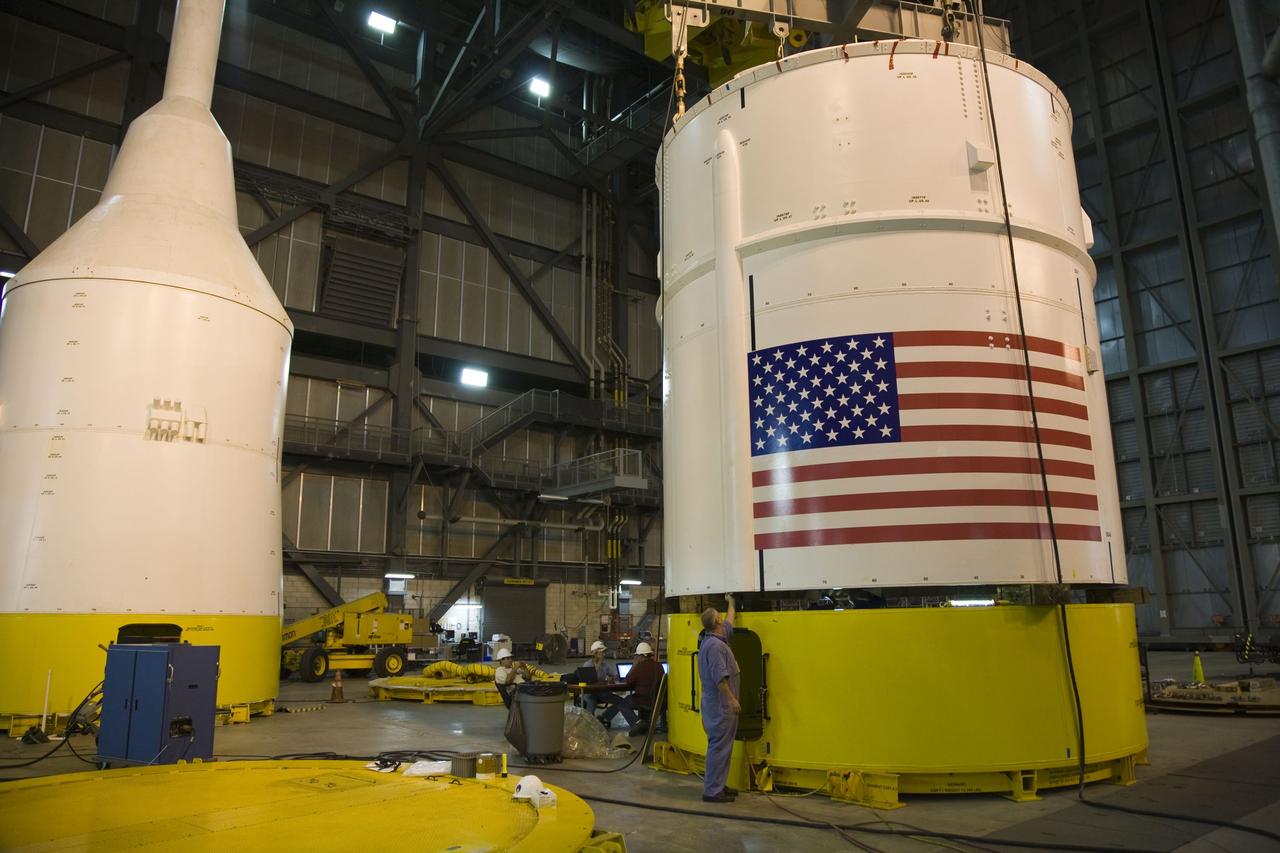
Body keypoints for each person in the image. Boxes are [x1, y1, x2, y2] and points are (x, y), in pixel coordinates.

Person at [697, 593, 740, 803]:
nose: (723, 617)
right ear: (716, 621)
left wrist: (731, 602)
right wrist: (732, 700)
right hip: (720, 706)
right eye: (720, 615)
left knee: (723, 746)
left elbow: (730, 621)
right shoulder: (714, 646)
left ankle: (718, 784)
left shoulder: (716, 638)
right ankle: (712, 791)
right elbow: (720, 679)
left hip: (719, 705)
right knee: (718, 746)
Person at [600, 642, 662, 736]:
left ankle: (636, 723)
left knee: (622, 703)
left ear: (640, 656)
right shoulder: (659, 666)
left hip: (642, 700)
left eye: (637, 656)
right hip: (657, 701)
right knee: (632, 698)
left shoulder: (639, 667)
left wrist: (633, 666)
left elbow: (629, 681)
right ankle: (643, 723)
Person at [580, 640, 621, 716]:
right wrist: (599, 662)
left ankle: (605, 717)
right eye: (602, 652)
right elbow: (590, 678)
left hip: (602, 692)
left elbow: (614, 675)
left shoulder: (605, 665)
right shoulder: (587, 665)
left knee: (620, 701)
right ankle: (590, 722)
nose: (604, 654)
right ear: (595, 653)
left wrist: (613, 678)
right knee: (591, 702)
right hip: (589, 693)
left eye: (604, 652)